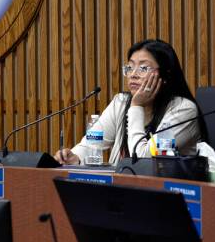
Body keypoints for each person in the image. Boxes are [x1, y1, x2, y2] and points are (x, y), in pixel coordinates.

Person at [54, 39, 206, 165]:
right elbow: (91, 143)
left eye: (143, 68)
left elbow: (143, 159)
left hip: (167, 193)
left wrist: (136, 106)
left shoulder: (183, 110)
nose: (133, 74)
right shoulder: (120, 102)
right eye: (130, 67)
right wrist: (75, 157)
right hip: (122, 190)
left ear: (165, 76)